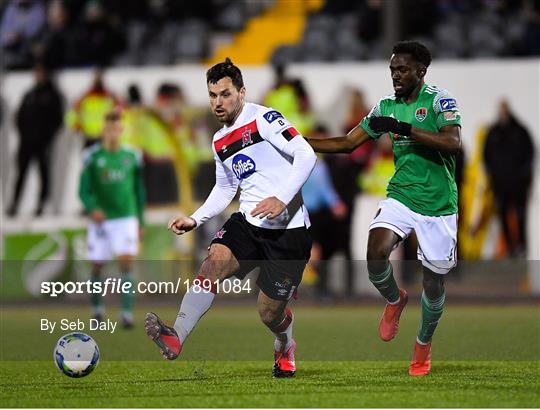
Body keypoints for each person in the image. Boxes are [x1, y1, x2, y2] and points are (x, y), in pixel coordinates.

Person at [144, 58, 316, 378]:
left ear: (241, 92)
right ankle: (176, 335)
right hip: (248, 223)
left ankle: (284, 344)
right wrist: (196, 218)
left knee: (268, 313)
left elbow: (305, 153)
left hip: (288, 233)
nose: (218, 102)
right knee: (213, 262)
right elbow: (225, 188)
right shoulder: (219, 140)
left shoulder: (263, 118)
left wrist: (282, 197)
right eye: (212, 95)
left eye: (225, 94)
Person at [308, 41, 462, 376]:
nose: (395, 75)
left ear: (421, 71)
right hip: (402, 196)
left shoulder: (439, 101)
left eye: (403, 69)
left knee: (433, 285)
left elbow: (453, 143)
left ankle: (423, 344)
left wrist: (405, 129)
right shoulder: (384, 107)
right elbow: (348, 143)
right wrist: (296, 140)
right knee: (376, 252)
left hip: (438, 204)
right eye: (392, 69)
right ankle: (395, 300)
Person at [79, 110, 145, 328]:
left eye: (117, 129)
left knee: (126, 264)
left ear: (121, 130)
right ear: (103, 131)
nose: (113, 133)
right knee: (97, 265)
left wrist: (140, 221)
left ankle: (126, 314)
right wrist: (92, 208)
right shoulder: (92, 157)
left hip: (126, 217)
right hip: (101, 220)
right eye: (109, 129)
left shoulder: (132, 156)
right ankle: (97, 310)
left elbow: (139, 190)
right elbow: (83, 189)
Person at [8, 64, 63, 216]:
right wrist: (23, 135)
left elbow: (57, 120)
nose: (38, 77)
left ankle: (41, 206)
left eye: (41, 73)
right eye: (37, 73)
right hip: (26, 142)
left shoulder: (53, 96)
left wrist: (47, 138)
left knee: (43, 175)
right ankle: (14, 204)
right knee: (21, 174)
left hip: (43, 143)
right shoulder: (29, 94)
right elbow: (18, 117)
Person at [483, 99, 534, 257]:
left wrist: (523, 176)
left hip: (518, 185)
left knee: (520, 216)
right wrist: (493, 176)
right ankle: (510, 248)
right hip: (501, 185)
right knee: (503, 216)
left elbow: (530, 155)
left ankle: (521, 246)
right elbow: (486, 157)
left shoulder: (520, 131)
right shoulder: (493, 133)